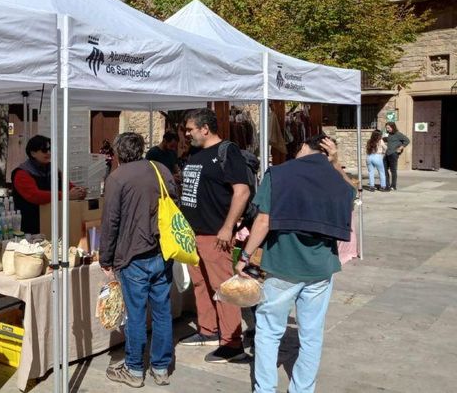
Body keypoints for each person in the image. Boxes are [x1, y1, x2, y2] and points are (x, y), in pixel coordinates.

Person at [235, 134, 355, 393]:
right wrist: (336, 163)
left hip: (282, 265)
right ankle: (302, 389)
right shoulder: (334, 177)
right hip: (321, 268)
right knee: (311, 334)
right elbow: (351, 193)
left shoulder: (278, 174)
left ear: (302, 146)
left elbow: (264, 221)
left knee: (268, 331)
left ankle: (265, 389)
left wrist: (244, 257)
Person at [99, 132, 177, 388]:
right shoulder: (160, 169)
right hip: (161, 250)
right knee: (162, 312)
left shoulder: (117, 178)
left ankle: (134, 370)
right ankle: (161, 367)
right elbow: (174, 202)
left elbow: (110, 221)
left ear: (119, 153)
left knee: (136, 314)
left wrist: (105, 258)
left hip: (133, 255)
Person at [178, 108, 250, 363]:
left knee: (223, 287)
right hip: (193, 233)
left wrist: (227, 227)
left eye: (190, 129)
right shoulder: (196, 153)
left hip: (215, 234)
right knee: (200, 284)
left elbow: (241, 191)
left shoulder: (227, 151)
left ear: (205, 128)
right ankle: (208, 330)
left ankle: (232, 343)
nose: (187, 134)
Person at [11, 135, 86, 234]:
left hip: (53, 223)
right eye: (44, 150)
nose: (48, 153)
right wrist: (66, 195)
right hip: (30, 227)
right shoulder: (22, 173)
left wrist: (79, 191)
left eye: (50, 149)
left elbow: (67, 185)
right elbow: (35, 196)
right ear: (33, 153)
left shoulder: (53, 169)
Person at [383, 122, 409, 191]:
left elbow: (407, 140)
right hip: (387, 154)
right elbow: (387, 141)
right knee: (384, 169)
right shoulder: (388, 134)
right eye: (386, 128)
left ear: (393, 127)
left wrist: (400, 148)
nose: (387, 129)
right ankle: (386, 184)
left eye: (389, 128)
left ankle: (393, 186)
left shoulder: (398, 134)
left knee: (393, 170)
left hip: (393, 154)